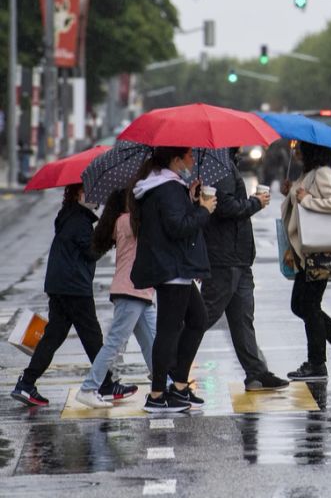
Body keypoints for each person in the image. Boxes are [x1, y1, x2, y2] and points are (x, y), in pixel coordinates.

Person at [11, 184, 127, 406]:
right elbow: (91, 252)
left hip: (60, 285)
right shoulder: (78, 220)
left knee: (53, 337)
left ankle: (26, 383)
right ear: (78, 194)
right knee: (92, 336)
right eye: (91, 193)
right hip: (74, 287)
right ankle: (106, 385)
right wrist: (111, 236)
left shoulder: (69, 216)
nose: (96, 197)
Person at [131, 147, 217, 413]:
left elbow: (173, 220)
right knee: (169, 330)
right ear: (175, 159)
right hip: (173, 269)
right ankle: (157, 395)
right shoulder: (166, 187)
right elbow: (178, 228)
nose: (192, 159)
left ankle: (179, 386)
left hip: (176, 267)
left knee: (197, 319)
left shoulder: (168, 186)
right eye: (189, 155)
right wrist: (203, 210)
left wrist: (190, 201)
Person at [201, 148, 289, 392]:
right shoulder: (219, 168)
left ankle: (256, 374)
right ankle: (169, 366)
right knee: (204, 316)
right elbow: (226, 207)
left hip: (237, 257)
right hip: (224, 258)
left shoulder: (227, 164)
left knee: (242, 319)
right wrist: (255, 202)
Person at [281, 141, 331, 381]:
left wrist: (306, 199)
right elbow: (300, 202)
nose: (295, 151)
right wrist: (290, 192)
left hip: (319, 250)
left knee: (307, 305)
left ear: (311, 150)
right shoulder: (308, 174)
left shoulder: (323, 173)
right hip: (306, 251)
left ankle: (317, 363)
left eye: (299, 148)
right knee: (301, 305)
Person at [75, 189, 153, 408]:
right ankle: (89, 388)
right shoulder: (129, 221)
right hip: (131, 290)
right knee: (114, 344)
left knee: (152, 342)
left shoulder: (123, 221)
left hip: (140, 290)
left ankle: (162, 383)